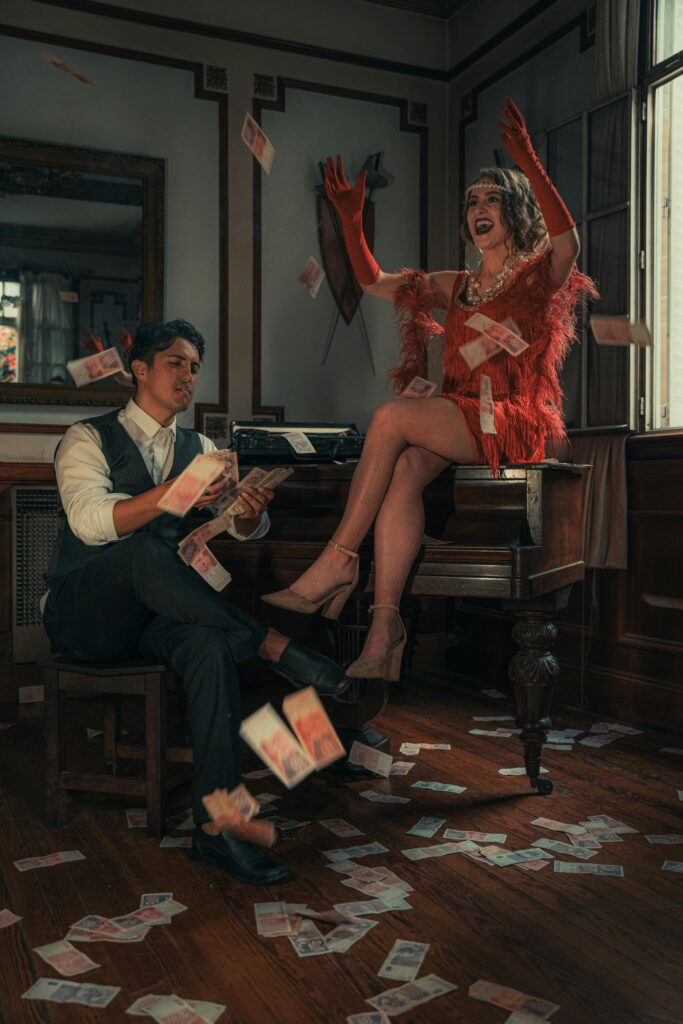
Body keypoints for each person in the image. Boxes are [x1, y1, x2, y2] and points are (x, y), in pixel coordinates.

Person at [263, 100, 597, 683]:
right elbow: (372, 281)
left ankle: (339, 561)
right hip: (461, 414)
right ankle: (385, 626)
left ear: (515, 209)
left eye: (491, 198)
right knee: (403, 471)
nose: (478, 208)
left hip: (509, 418)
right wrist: (352, 218)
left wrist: (527, 160)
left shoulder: (538, 274)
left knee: (392, 417)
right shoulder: (459, 283)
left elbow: (568, 243)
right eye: (472, 201)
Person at [43, 318, 351, 885]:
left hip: (159, 615)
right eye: (175, 363)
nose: (188, 376)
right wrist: (177, 494)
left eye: (195, 367)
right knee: (138, 553)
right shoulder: (86, 436)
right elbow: (91, 523)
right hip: (86, 614)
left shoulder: (201, 448)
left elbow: (236, 530)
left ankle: (219, 828)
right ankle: (269, 644)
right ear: (139, 369)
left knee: (209, 644)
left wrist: (250, 514)